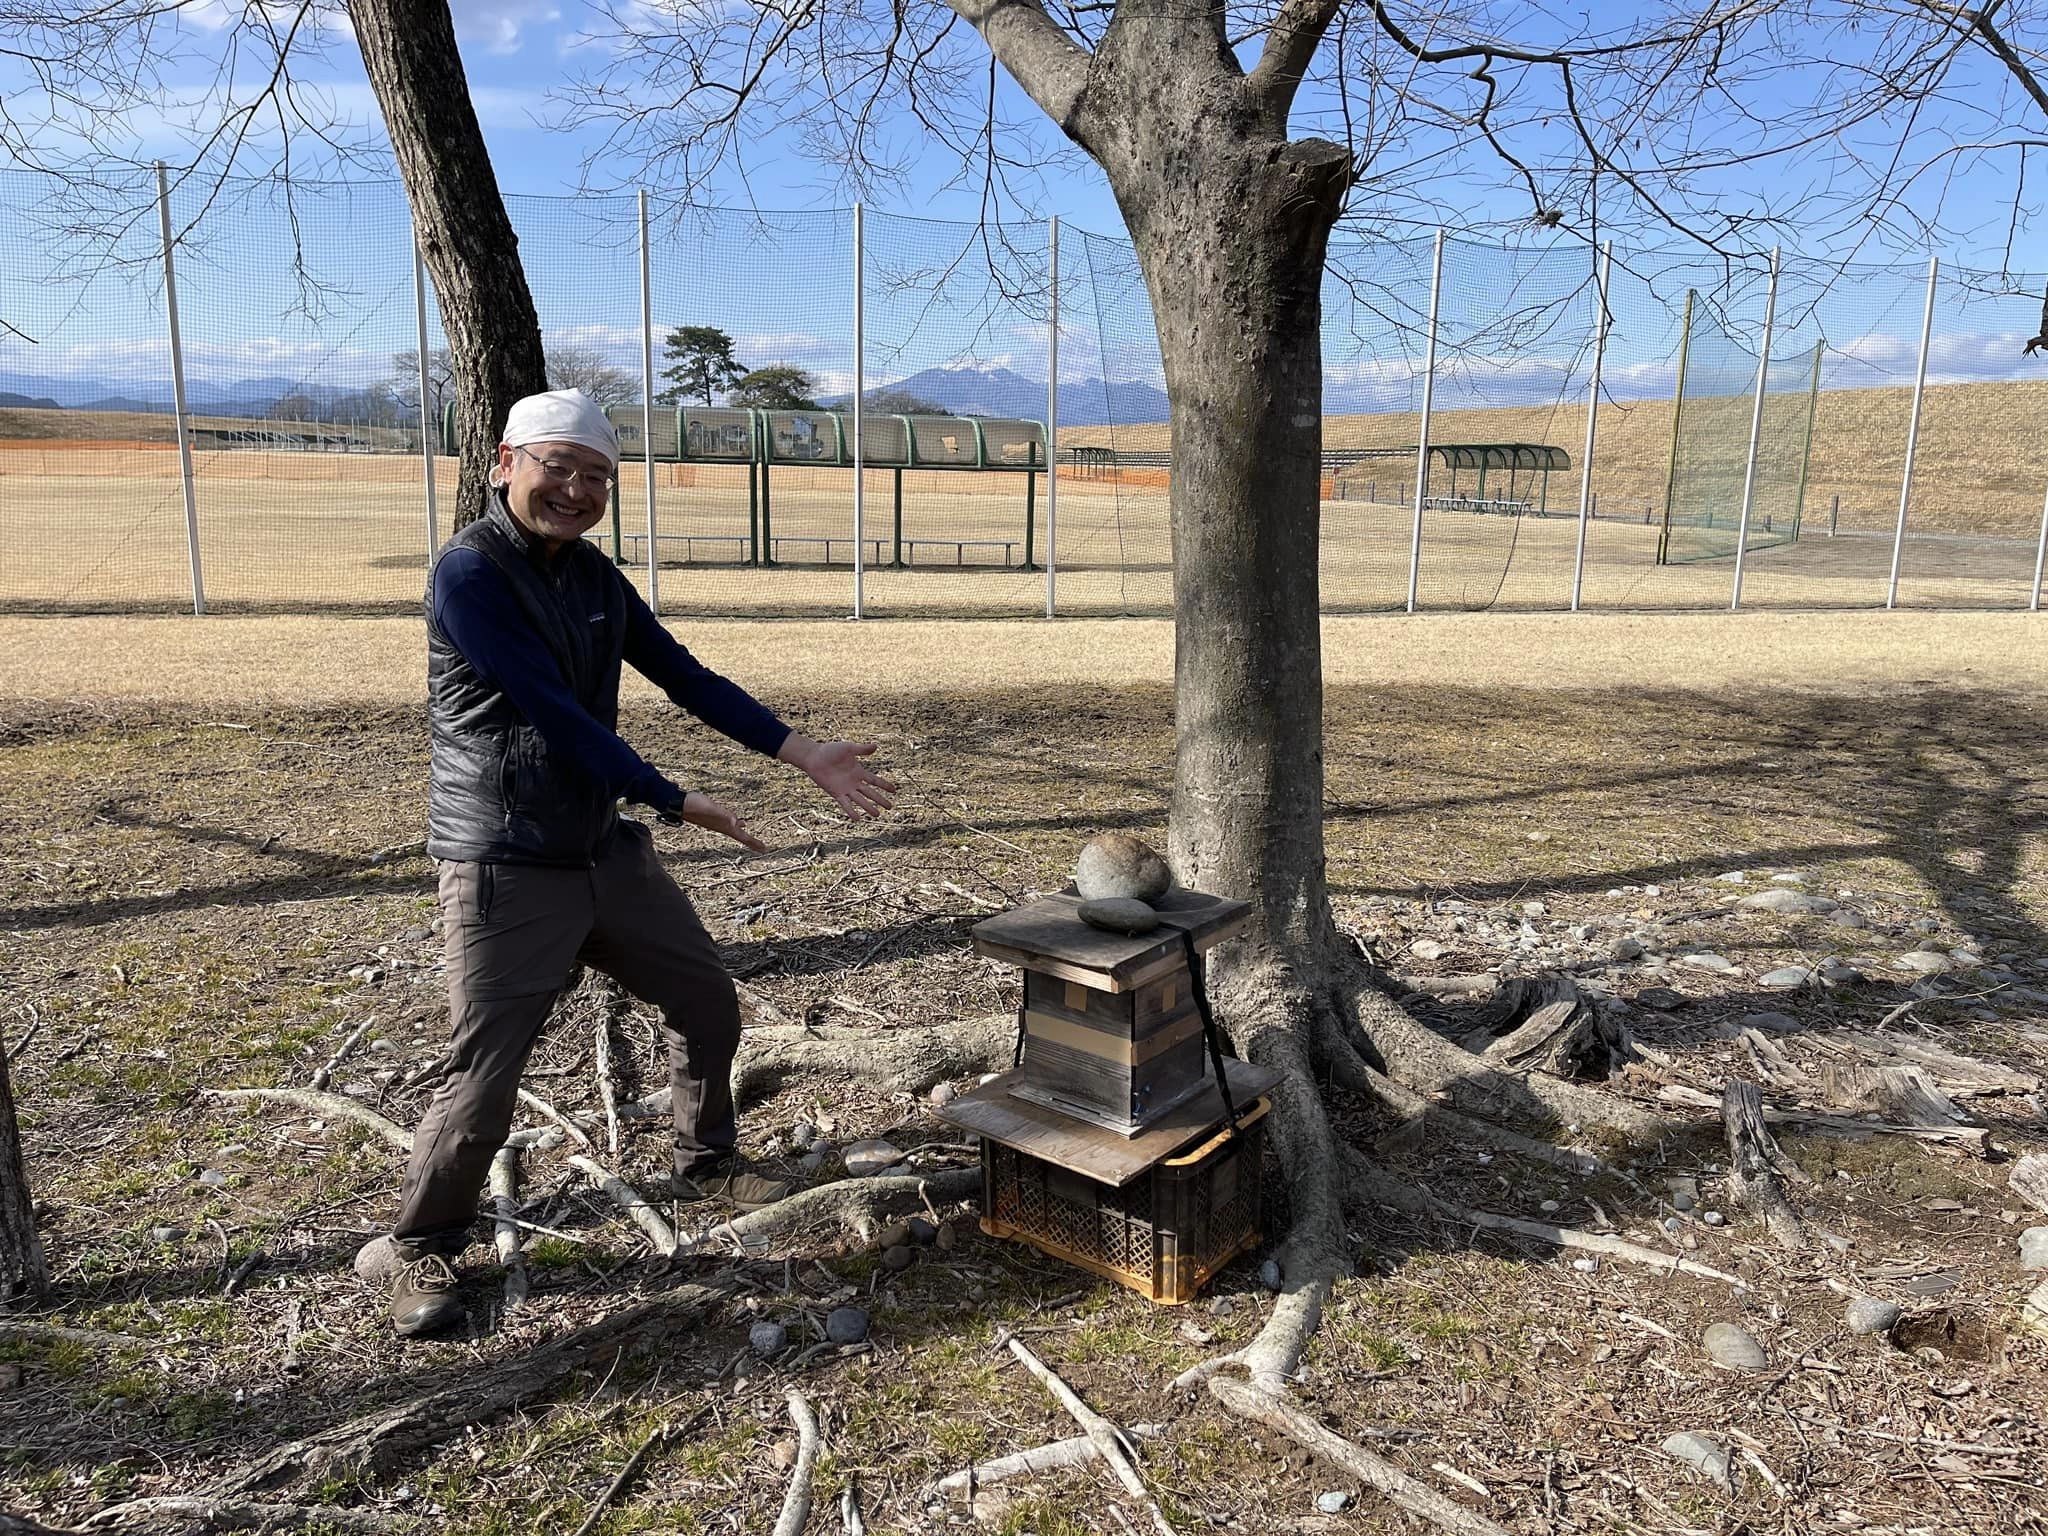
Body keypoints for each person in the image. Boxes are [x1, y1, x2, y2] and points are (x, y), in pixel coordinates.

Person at [363, 388, 895, 1338]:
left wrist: (800, 750)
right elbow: (549, 714)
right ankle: (418, 1244)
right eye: (556, 466)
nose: (575, 489)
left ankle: (708, 1161)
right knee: (485, 1071)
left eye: (596, 475)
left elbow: (683, 674)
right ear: (503, 464)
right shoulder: (468, 575)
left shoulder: (593, 578)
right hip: (507, 858)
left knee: (703, 997)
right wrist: (673, 798)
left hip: (601, 847)